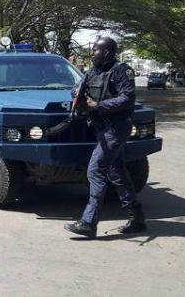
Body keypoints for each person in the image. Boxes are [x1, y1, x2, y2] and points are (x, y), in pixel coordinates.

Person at [64, 37, 147, 238]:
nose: (92, 54)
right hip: (102, 128)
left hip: (115, 129)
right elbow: (77, 87)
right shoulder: (94, 71)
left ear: (107, 52)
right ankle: (137, 218)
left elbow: (127, 99)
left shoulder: (121, 71)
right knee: (117, 173)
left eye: (95, 50)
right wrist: (79, 94)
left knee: (95, 170)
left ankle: (88, 223)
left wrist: (97, 106)